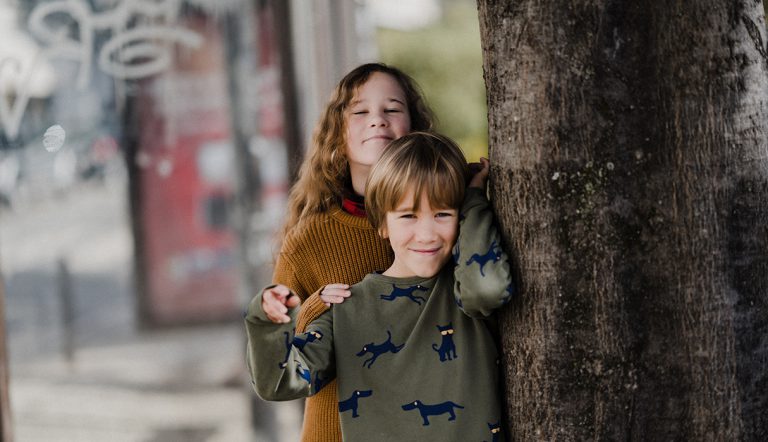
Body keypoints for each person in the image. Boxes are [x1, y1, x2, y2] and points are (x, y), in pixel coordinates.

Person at [245, 132, 515, 441]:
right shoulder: (348, 310)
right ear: (382, 224)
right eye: (408, 216)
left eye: (443, 214)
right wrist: (266, 319)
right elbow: (279, 382)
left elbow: (488, 288)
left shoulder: (463, 290)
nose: (426, 234)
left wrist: (474, 199)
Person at [251, 63, 435, 442]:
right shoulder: (311, 237)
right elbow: (285, 352)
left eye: (393, 109)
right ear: (337, 134)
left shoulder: (444, 219)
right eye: (360, 111)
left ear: (414, 125)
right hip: (337, 429)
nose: (378, 120)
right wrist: (317, 306)